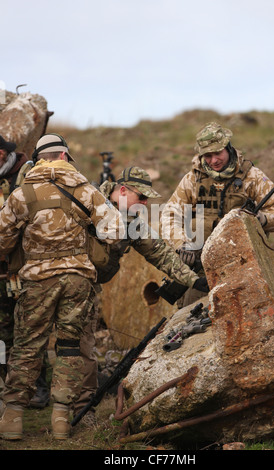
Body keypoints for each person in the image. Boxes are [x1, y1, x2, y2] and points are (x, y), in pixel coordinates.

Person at [0, 133, 125, 441]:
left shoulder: (22, 193)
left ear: (39, 159)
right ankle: (60, 420)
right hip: (78, 279)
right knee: (69, 348)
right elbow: (115, 232)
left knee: (28, 347)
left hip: (37, 280)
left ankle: (13, 417)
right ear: (65, 156)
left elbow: (1, 238)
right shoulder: (86, 189)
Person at [73, 166, 208, 426]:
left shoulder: (132, 222)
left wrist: (194, 280)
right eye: (142, 197)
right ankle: (18, 409)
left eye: (148, 199)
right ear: (122, 190)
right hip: (58, 279)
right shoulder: (86, 201)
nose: (145, 204)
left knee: (83, 348)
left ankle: (82, 411)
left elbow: (161, 253)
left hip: (89, 287)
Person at [161, 121, 274, 308]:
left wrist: (263, 219)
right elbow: (169, 215)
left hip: (243, 262)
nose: (214, 161)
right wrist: (182, 244)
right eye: (208, 155)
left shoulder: (251, 176)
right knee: (192, 311)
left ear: (228, 148)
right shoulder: (192, 179)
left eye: (218, 153)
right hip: (202, 267)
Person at [0, 135, 50, 412]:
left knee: (29, 332)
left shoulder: (26, 173)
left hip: (24, 267)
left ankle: (38, 388)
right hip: (2, 267)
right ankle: (10, 390)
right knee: (4, 332)